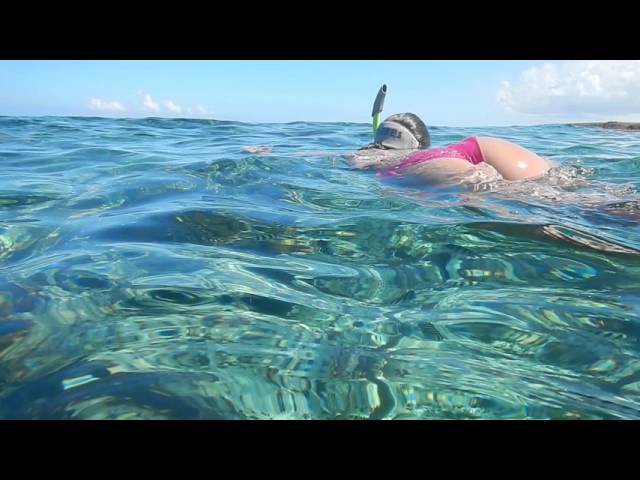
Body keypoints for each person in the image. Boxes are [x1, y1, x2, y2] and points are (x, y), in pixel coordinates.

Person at [348, 112, 553, 183]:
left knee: (521, 203)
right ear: (423, 142)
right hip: (480, 146)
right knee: (565, 190)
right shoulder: (445, 150)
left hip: (429, 164)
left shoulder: (364, 157)